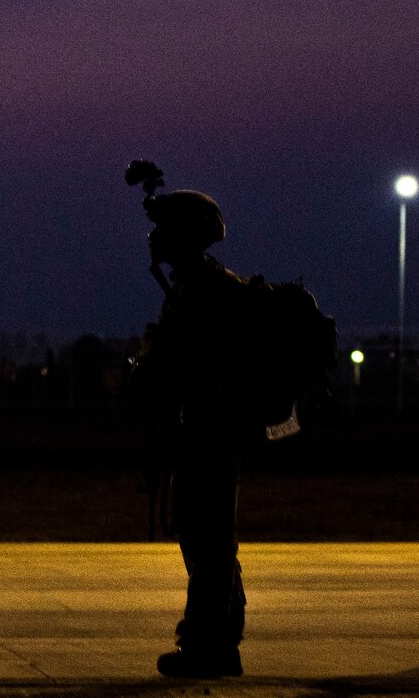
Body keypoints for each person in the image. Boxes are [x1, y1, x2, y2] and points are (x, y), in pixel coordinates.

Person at [137, 184, 254, 679]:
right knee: (204, 537)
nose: (153, 238)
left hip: (213, 431)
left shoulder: (211, 291)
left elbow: (210, 362)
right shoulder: (191, 287)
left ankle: (211, 645)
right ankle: (218, 638)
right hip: (200, 431)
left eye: (163, 229)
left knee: (210, 540)